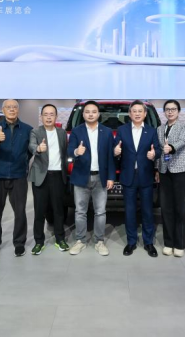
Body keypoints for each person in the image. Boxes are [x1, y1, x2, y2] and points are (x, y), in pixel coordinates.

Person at [67, 101, 116, 256]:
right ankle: (80, 241)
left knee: (100, 212)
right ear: (83, 114)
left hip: (101, 177)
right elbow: (69, 151)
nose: (90, 114)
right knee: (80, 211)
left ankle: (99, 241)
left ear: (98, 114)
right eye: (87, 112)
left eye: (94, 112)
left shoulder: (107, 132)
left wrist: (111, 177)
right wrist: (76, 151)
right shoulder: (76, 131)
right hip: (81, 176)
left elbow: (110, 156)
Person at [0, 100, 33, 259]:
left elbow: (30, 151)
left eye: (14, 107)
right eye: (8, 107)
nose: (11, 109)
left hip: (18, 176)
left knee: (20, 212)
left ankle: (19, 243)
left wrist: (22, 162)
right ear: (3, 110)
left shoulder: (27, 129)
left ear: (18, 110)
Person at [114, 100, 161, 258]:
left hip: (146, 176)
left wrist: (154, 154)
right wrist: (116, 151)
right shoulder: (122, 130)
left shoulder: (151, 131)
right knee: (130, 211)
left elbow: (158, 150)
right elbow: (116, 148)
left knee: (148, 211)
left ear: (145, 114)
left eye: (140, 111)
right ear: (129, 114)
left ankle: (148, 243)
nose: (137, 113)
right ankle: (131, 242)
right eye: (134, 111)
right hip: (128, 176)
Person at [28, 104, 69, 255]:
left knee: (59, 210)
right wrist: (38, 149)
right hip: (41, 176)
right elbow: (31, 145)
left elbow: (65, 152)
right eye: (46, 114)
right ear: (41, 117)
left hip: (58, 175)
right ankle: (39, 242)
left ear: (56, 116)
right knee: (39, 211)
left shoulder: (62, 133)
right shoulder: (35, 131)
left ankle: (60, 239)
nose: (49, 117)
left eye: (52, 114)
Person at [156, 100, 185, 258]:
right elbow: (159, 150)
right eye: (167, 109)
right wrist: (157, 169)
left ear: (178, 111)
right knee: (166, 208)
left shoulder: (184, 126)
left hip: (181, 171)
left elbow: (182, 141)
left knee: (180, 208)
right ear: (164, 112)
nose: (170, 112)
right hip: (164, 171)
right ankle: (168, 242)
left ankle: (180, 244)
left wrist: (171, 147)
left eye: (173, 109)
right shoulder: (160, 128)